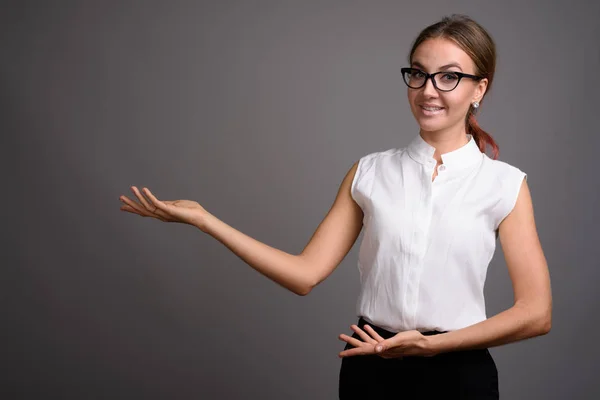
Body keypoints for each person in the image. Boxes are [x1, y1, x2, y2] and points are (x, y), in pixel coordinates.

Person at [119, 14, 552, 399]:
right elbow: (304, 274)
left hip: (459, 373)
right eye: (418, 74)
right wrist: (204, 219)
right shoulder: (369, 172)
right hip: (371, 366)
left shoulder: (504, 184)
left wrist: (430, 345)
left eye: (449, 77)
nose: (428, 91)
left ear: (480, 88)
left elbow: (536, 314)